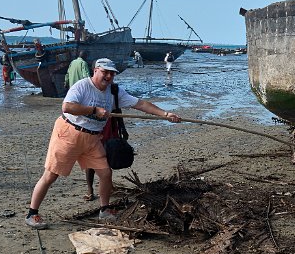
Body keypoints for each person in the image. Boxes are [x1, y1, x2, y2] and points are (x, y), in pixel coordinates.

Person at [25, 58, 182, 229]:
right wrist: (93, 110)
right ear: (95, 71)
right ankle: (32, 214)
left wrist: (165, 114)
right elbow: (67, 107)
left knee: (106, 173)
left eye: (111, 73)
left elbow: (141, 104)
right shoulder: (82, 86)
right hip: (68, 133)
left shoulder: (114, 91)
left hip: (93, 139)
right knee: (51, 175)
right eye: (104, 72)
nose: (108, 76)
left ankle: (104, 210)